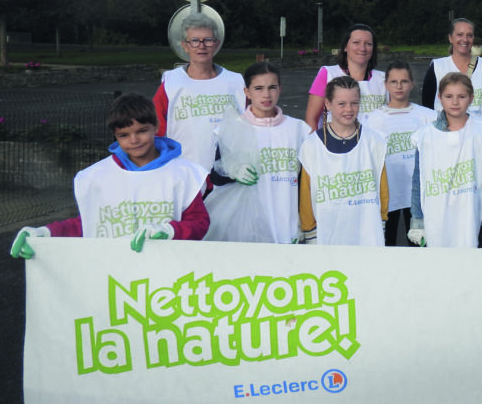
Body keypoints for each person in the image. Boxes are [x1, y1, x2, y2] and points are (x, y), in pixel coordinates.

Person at [10, 93, 209, 404]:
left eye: (142, 131)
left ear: (155, 126)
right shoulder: (97, 177)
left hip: (159, 286)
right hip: (107, 284)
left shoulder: (183, 173)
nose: (134, 140)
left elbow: (199, 221)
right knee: (106, 360)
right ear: (115, 136)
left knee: (149, 360)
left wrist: (170, 230)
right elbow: (86, 223)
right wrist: (45, 233)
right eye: (124, 135)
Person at [206, 62, 312, 244]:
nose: (266, 95)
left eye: (272, 87)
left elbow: (306, 182)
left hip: (287, 224)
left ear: (280, 89)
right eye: (258, 88)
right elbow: (216, 177)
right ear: (247, 92)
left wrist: (304, 223)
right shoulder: (232, 128)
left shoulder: (298, 129)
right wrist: (233, 171)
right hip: (247, 227)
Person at [408, 72, 482, 248]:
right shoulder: (424, 136)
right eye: (448, 96)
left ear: (471, 98)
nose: (455, 102)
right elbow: (418, 182)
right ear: (439, 98)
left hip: (470, 217)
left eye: (461, 96)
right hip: (435, 217)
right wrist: (418, 220)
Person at [297, 75, 388, 246]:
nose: (349, 109)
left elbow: (382, 189)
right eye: (341, 104)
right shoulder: (311, 145)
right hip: (327, 235)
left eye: (354, 103)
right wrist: (309, 231)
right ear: (327, 103)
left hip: (367, 233)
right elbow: (306, 194)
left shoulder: (374, 141)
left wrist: (381, 222)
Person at [153, 13, 245, 179]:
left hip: (228, 177)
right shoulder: (171, 83)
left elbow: (254, 125)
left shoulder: (235, 82)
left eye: (207, 40)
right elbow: (155, 129)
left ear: (216, 44)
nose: (201, 46)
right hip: (184, 175)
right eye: (194, 40)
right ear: (185, 45)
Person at [365, 61, 436, 246]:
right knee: (386, 245)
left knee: (419, 245)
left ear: (412, 84)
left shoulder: (428, 116)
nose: (399, 86)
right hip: (387, 193)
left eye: (404, 81)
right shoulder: (371, 120)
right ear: (386, 84)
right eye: (394, 81)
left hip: (418, 194)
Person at [421, 18, 482, 134]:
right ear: (450, 38)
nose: (465, 39)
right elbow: (427, 106)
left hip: (480, 136)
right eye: (459, 35)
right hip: (445, 136)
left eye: (469, 35)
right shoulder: (437, 67)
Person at [304, 23, 387, 130]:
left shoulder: (383, 79)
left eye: (368, 44)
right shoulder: (328, 74)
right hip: (333, 139)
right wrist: (314, 140)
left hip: (374, 140)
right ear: (345, 47)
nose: (362, 48)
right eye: (356, 42)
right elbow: (311, 118)